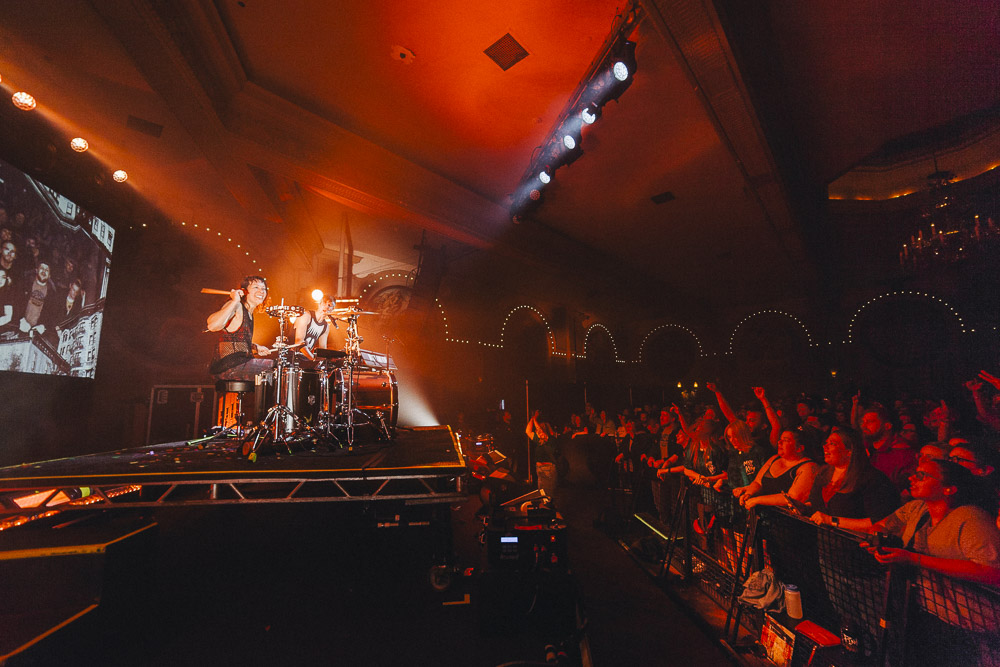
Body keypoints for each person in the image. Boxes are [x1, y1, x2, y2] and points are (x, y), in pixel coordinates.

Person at [864, 459, 1000, 586]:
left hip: (958, 603)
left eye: (921, 475)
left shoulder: (971, 518)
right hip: (918, 597)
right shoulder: (916, 508)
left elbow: (991, 571)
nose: (911, 478)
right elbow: (881, 525)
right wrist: (879, 540)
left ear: (948, 489)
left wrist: (913, 558)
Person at [808, 428, 900, 529]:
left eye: (832, 444)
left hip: (852, 538)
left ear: (849, 451)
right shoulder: (823, 473)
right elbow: (815, 504)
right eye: (826, 443)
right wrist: (801, 507)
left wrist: (832, 521)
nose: (825, 447)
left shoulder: (872, 479)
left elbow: (878, 521)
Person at [206, 275, 273, 379]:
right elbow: (213, 326)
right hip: (228, 366)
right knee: (277, 367)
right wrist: (234, 301)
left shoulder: (249, 312)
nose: (261, 291)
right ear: (244, 291)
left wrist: (254, 347)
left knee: (279, 368)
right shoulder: (236, 305)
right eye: (256, 287)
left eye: (263, 289)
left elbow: (235, 339)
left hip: (239, 364)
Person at [734, 429, 817, 510]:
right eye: (780, 439)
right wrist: (749, 493)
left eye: (785, 440)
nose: (779, 442)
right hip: (765, 513)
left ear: (799, 448)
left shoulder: (808, 467)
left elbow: (793, 498)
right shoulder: (774, 459)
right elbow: (758, 482)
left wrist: (757, 500)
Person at [16, 258, 60, 337]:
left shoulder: (52, 294)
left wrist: (43, 325)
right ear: (36, 270)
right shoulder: (25, 283)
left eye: (47, 270)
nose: (44, 271)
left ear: (49, 275)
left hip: (36, 332)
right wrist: (20, 319)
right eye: (42, 268)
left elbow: (52, 315)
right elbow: (16, 302)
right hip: (19, 326)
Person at [293, 294, 336, 363]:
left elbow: (323, 350)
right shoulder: (306, 316)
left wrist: (327, 359)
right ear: (319, 304)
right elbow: (299, 342)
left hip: (306, 359)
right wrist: (313, 359)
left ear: (333, 309)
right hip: (292, 357)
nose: (326, 307)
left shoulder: (325, 326)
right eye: (324, 304)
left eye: (329, 305)